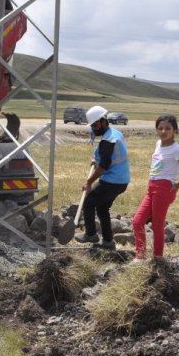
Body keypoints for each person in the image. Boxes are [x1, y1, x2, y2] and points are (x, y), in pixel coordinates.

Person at [132, 115, 179, 261]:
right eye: (160, 128)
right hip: (152, 187)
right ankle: (140, 257)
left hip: (164, 189)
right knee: (137, 221)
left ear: (174, 130)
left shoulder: (176, 149)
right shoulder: (158, 144)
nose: (163, 131)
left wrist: (178, 185)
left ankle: (158, 259)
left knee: (157, 225)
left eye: (168, 128)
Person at [75, 105, 131, 250]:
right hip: (121, 180)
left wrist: (88, 182)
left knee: (88, 202)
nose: (94, 128)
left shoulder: (108, 140)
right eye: (92, 126)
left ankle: (91, 234)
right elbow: (109, 157)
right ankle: (108, 242)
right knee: (102, 208)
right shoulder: (115, 133)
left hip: (112, 180)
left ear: (104, 121)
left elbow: (104, 166)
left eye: (96, 124)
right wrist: (97, 160)